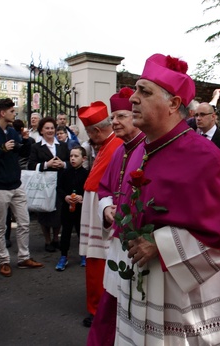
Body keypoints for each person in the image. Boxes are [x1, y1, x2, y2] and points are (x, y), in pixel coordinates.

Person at [97, 53, 220, 345]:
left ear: (173, 103)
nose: (133, 99)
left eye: (145, 92)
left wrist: (160, 244)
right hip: (141, 283)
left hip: (187, 296)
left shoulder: (207, 157)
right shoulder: (141, 149)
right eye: (135, 91)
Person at [87, 87, 146, 343]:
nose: (114, 122)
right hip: (117, 238)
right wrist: (106, 207)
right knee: (113, 297)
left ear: (135, 116)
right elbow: (105, 188)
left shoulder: (147, 148)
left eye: (121, 116)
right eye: (112, 118)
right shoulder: (120, 151)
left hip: (137, 242)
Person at [0, 98, 43, 277]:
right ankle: (3, 261)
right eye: (12, 111)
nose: (15, 114)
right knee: (0, 226)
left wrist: (26, 141)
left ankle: (23, 258)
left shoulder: (12, 132)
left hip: (16, 184)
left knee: (24, 222)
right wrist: (2, 149)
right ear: (2, 113)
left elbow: (22, 152)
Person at [77, 100, 123, 328]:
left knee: (98, 257)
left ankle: (98, 309)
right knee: (96, 256)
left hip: (101, 207)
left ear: (96, 130)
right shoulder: (109, 143)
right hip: (95, 204)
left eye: (89, 133)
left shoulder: (114, 145)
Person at [28, 116, 70, 252]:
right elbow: (31, 165)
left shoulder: (63, 146)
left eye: (52, 128)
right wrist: (47, 164)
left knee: (58, 212)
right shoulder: (35, 147)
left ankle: (56, 238)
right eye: (47, 128)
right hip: (44, 184)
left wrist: (62, 164)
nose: (50, 130)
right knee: (45, 212)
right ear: (41, 130)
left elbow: (71, 161)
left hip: (60, 183)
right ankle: (47, 240)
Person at [55, 146, 89, 271]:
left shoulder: (87, 174)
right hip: (67, 208)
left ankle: (84, 254)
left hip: (81, 209)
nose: (73, 159)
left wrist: (82, 197)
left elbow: (90, 191)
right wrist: (65, 197)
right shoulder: (65, 173)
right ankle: (63, 256)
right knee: (65, 233)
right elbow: (59, 188)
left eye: (76, 156)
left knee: (82, 232)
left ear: (84, 158)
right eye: (71, 156)